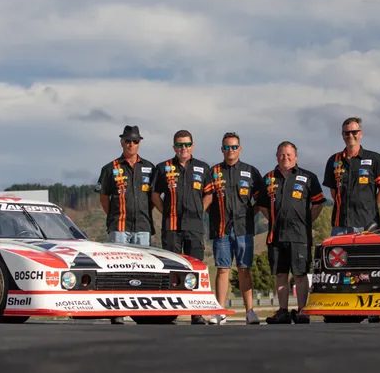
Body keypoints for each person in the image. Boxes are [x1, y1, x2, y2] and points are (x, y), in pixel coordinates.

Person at [322, 117, 380, 323]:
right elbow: (333, 192)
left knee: (369, 267)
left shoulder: (374, 158)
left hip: (367, 224)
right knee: (340, 268)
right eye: (346, 132)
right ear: (342, 135)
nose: (350, 136)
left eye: (354, 132)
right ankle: (344, 307)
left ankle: (372, 309)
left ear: (360, 134)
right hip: (341, 224)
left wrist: (370, 211)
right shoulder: (334, 160)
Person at [259, 141, 326, 324]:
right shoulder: (268, 178)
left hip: (299, 236)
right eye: (282, 154)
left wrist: (305, 222)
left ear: (295, 157)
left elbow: (318, 204)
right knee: (280, 274)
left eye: (289, 154)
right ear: (276, 157)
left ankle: (302, 311)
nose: (285, 158)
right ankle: (283, 311)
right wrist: (275, 220)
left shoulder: (308, 177)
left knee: (300, 274)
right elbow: (262, 206)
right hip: (276, 236)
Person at [151, 129, 213, 325]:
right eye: (179, 145)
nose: (183, 148)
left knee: (195, 268)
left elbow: (209, 194)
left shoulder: (203, 168)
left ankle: (197, 312)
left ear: (192, 146)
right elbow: (155, 195)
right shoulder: (163, 168)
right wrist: (166, 212)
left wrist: (199, 211)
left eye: (186, 144)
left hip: (194, 226)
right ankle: (171, 312)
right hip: (171, 226)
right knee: (171, 269)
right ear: (174, 147)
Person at [96, 124, 155, 324]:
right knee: (118, 270)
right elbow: (103, 197)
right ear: (122, 142)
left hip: (143, 226)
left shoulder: (150, 168)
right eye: (128, 141)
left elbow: (153, 197)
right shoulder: (110, 168)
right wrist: (114, 214)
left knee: (143, 269)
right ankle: (117, 311)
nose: (131, 144)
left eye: (135, 141)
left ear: (140, 143)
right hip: (119, 226)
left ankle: (141, 310)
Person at [205, 132, 265, 325]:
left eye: (233, 147)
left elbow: (261, 199)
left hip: (243, 229)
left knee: (244, 269)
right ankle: (220, 311)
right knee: (222, 269)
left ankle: (250, 312)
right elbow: (207, 199)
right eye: (227, 147)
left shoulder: (251, 171)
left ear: (239, 149)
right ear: (222, 150)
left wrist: (249, 214)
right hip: (221, 228)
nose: (230, 150)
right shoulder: (213, 171)